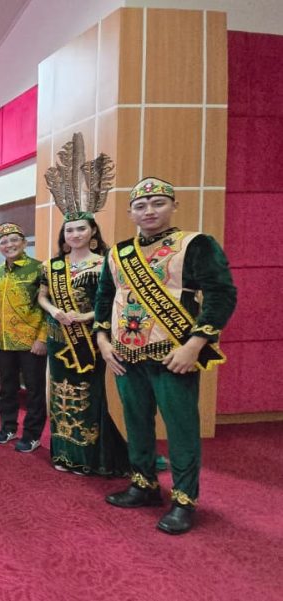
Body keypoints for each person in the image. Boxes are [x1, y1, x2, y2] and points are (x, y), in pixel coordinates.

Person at [95, 176, 237, 535]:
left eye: (158, 203)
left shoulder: (195, 244)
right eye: (140, 205)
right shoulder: (118, 253)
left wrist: (195, 344)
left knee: (181, 428)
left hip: (174, 354)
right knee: (136, 422)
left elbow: (221, 294)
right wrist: (102, 340)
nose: (149, 211)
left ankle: (184, 500)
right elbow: (104, 297)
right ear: (130, 212)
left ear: (174, 206)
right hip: (125, 354)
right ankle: (143, 484)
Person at [37, 137, 129, 477]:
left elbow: (113, 302)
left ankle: (91, 456)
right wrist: (54, 311)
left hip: (90, 339)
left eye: (81, 229)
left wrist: (85, 316)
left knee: (87, 396)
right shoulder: (52, 266)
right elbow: (42, 296)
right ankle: (64, 454)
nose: (75, 234)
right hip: (58, 337)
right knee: (59, 393)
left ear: (93, 232)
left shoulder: (105, 264)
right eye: (70, 229)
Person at [0, 223, 48, 453]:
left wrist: (43, 338)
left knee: (34, 390)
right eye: (3, 242)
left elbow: (48, 307)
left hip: (31, 342)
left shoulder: (39, 269)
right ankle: (8, 428)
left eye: (14, 240)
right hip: (3, 341)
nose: (9, 245)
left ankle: (32, 435)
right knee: (7, 388)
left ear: (24, 242)